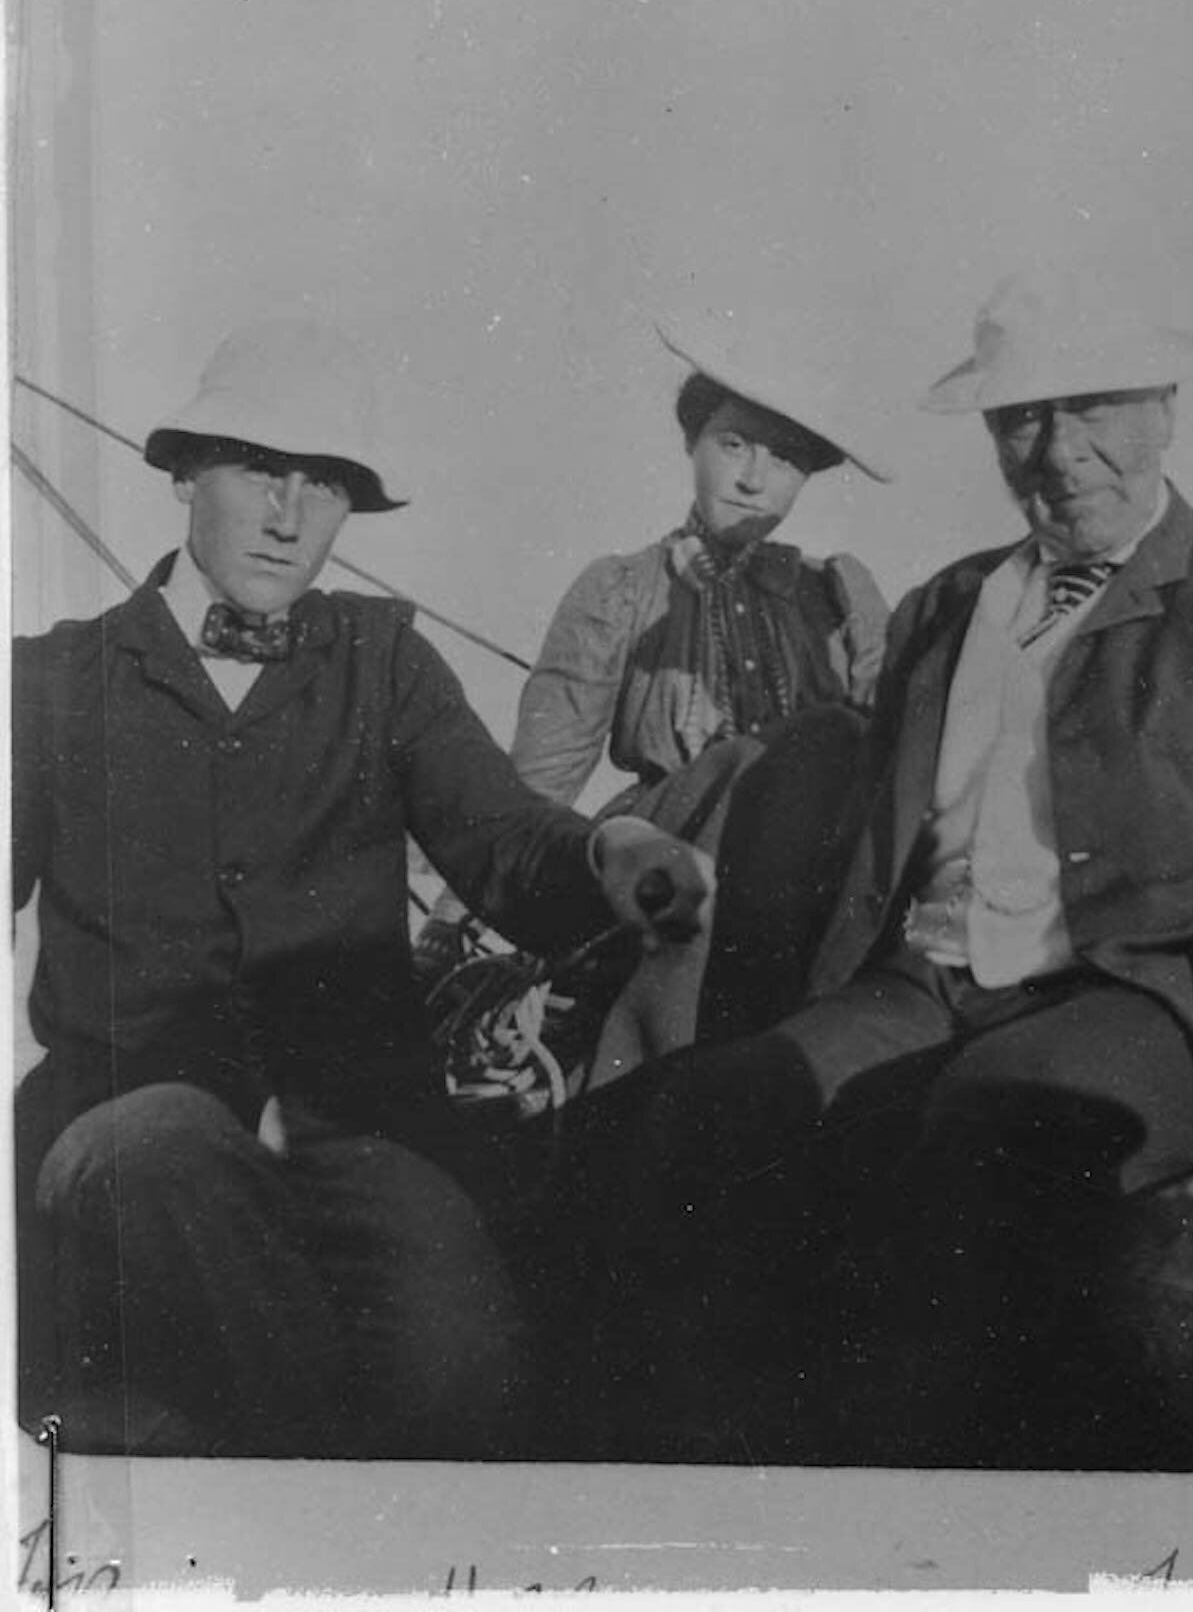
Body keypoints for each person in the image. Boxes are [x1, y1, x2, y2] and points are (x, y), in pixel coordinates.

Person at [574, 265, 1193, 1462]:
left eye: (1093, 405)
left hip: (1141, 992)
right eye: (1023, 417)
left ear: (1163, 405)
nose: (1059, 449)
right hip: (918, 986)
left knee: (1000, 1136)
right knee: (699, 1113)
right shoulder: (943, 608)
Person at [11, 318, 711, 1460]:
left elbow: (502, 837)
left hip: (362, 1132)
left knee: (465, 1395)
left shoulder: (383, 662)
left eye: (326, 486)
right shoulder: (45, 685)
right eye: (261, 471)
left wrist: (614, 849)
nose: (292, 515)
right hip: (133, 1124)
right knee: (155, 1148)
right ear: (187, 470)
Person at [417, 315, 890, 1079]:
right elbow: (535, 787)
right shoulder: (621, 590)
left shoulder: (837, 595)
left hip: (800, 872)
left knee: (834, 744)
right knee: (742, 767)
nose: (752, 477)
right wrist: (450, 922)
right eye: (733, 444)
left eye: (785, 459)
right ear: (692, 443)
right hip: (665, 856)